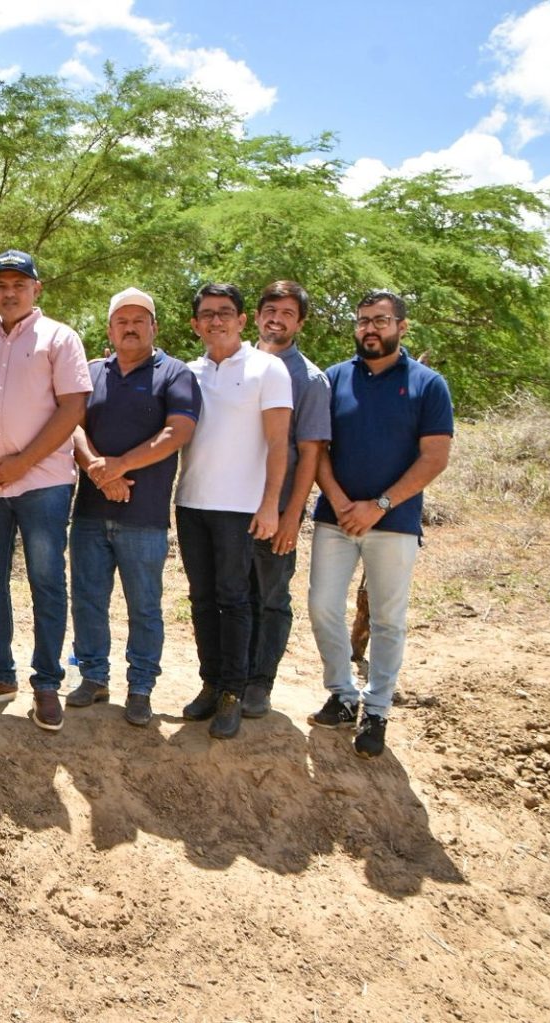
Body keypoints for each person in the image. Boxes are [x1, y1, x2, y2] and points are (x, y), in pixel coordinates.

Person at [307, 291, 452, 758]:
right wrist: (341, 500)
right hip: (336, 519)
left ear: (401, 327)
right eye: (363, 320)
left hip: (395, 522)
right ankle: (344, 696)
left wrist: (380, 504)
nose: (371, 328)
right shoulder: (334, 379)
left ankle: (378, 710)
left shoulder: (428, 384)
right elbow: (317, 450)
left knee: (388, 620)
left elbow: (435, 457)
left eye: (381, 321)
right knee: (322, 607)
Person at [0, 249, 90, 731]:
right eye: (0, 285)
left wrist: (22, 464)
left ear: (37, 288)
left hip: (44, 484)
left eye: (18, 284)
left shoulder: (60, 337)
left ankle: (47, 683)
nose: (9, 292)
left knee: (47, 582)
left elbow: (73, 408)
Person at [66, 288, 200, 727]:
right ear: (109, 328)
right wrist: (98, 472)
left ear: (153, 327)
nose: (129, 326)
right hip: (88, 512)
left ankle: (141, 687)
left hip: (144, 519)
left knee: (144, 606)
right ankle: (93, 677)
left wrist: (119, 466)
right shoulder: (91, 373)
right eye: (121, 320)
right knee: (87, 599)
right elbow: (74, 427)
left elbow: (176, 432)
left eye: (138, 319)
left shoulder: (175, 374)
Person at [174, 283, 291, 740]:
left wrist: (271, 505)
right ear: (195, 323)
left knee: (235, 600)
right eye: (207, 314)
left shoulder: (268, 369)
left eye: (225, 313)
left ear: (243, 321)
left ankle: (233, 694)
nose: (216, 320)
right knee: (201, 600)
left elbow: (280, 443)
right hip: (191, 503)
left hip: (241, 508)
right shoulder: (187, 372)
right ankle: (210, 684)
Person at [243, 281, 331, 718]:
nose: (276, 318)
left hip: (277, 511)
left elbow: (311, 452)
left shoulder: (309, 379)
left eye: (288, 313)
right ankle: (230, 679)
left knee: (271, 597)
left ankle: (259, 683)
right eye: (270, 310)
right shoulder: (233, 363)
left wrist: (293, 516)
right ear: (256, 316)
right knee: (232, 596)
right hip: (230, 506)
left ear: (300, 322)